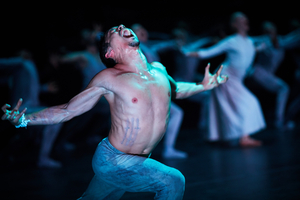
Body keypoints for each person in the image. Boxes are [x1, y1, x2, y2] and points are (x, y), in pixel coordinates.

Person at [2, 24, 227, 199]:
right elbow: (67, 111)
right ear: (110, 52)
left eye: (121, 26)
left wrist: (202, 86)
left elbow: (176, 90)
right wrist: (23, 119)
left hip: (138, 159)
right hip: (114, 160)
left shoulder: (158, 70)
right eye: (115, 31)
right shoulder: (109, 78)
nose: (121, 27)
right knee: (173, 180)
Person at [186, 12, 266, 147]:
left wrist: (261, 47)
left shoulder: (250, 42)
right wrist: (186, 52)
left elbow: (250, 51)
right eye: (240, 19)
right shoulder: (231, 41)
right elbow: (207, 53)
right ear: (234, 25)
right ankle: (243, 137)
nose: (244, 21)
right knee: (247, 103)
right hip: (225, 78)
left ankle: (236, 136)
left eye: (245, 18)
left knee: (236, 107)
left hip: (236, 80)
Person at [131, 23, 187, 159]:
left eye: (143, 29)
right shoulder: (135, 49)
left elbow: (160, 46)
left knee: (172, 114)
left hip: (152, 89)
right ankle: (165, 149)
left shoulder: (147, 47)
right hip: (145, 90)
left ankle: (166, 149)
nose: (143, 31)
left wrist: (173, 42)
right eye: (138, 30)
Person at [250, 21, 300, 128]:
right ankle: (280, 121)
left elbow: (292, 38)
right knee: (283, 88)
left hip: (267, 75)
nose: (269, 33)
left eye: (271, 30)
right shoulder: (263, 42)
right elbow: (251, 41)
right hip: (258, 73)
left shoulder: (282, 41)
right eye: (266, 31)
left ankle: (280, 120)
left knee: (284, 89)